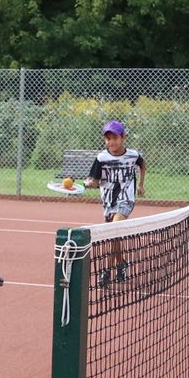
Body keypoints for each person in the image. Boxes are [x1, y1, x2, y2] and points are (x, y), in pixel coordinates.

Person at [83, 120, 146, 285]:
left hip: (126, 199)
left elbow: (142, 165)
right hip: (108, 201)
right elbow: (95, 180)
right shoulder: (101, 158)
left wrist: (140, 184)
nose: (111, 142)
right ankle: (121, 263)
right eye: (107, 139)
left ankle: (106, 271)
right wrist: (89, 183)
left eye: (115, 138)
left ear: (123, 138)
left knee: (114, 228)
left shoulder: (133, 155)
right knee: (114, 235)